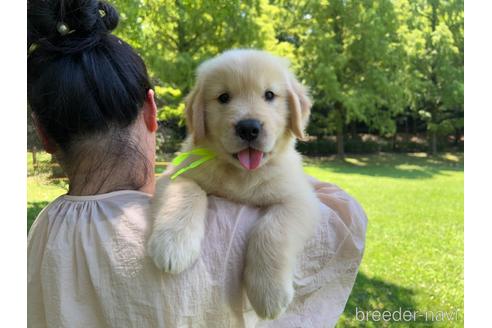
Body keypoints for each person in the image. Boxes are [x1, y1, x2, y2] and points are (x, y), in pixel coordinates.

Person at [27, 0, 367, 327]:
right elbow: (341, 223)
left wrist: (271, 244)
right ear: (153, 110)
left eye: (269, 95)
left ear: (43, 133)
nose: (248, 120)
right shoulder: (228, 232)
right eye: (223, 98)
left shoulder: (39, 235)